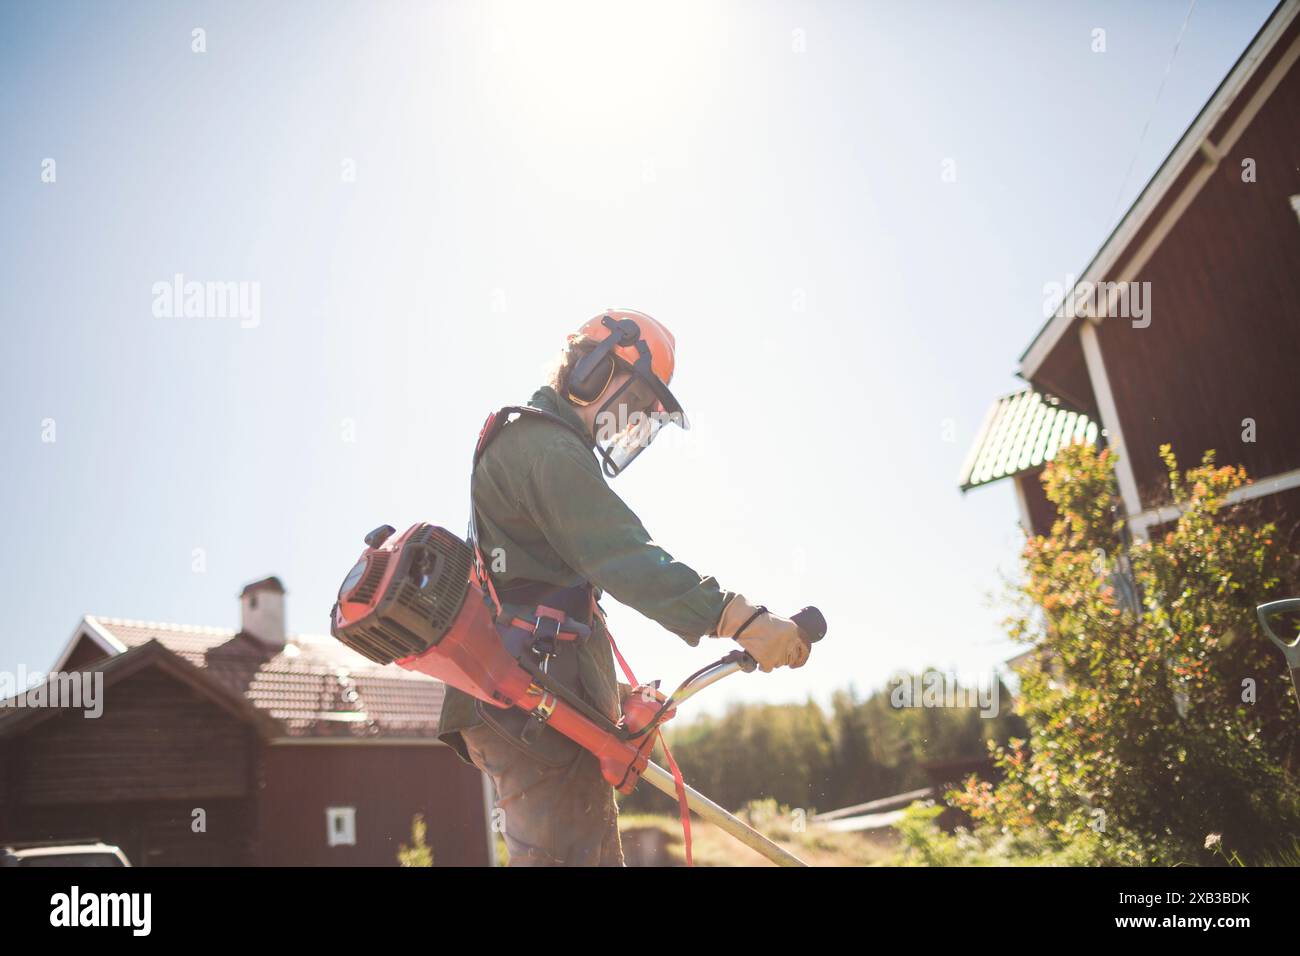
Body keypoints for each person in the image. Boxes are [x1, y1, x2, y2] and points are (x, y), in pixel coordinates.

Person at [436, 309, 811, 866]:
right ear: (590, 371)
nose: (632, 420)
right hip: (531, 704)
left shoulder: (534, 442)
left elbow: (553, 585)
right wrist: (741, 619)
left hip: (531, 697)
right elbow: (626, 558)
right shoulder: (546, 447)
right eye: (635, 401)